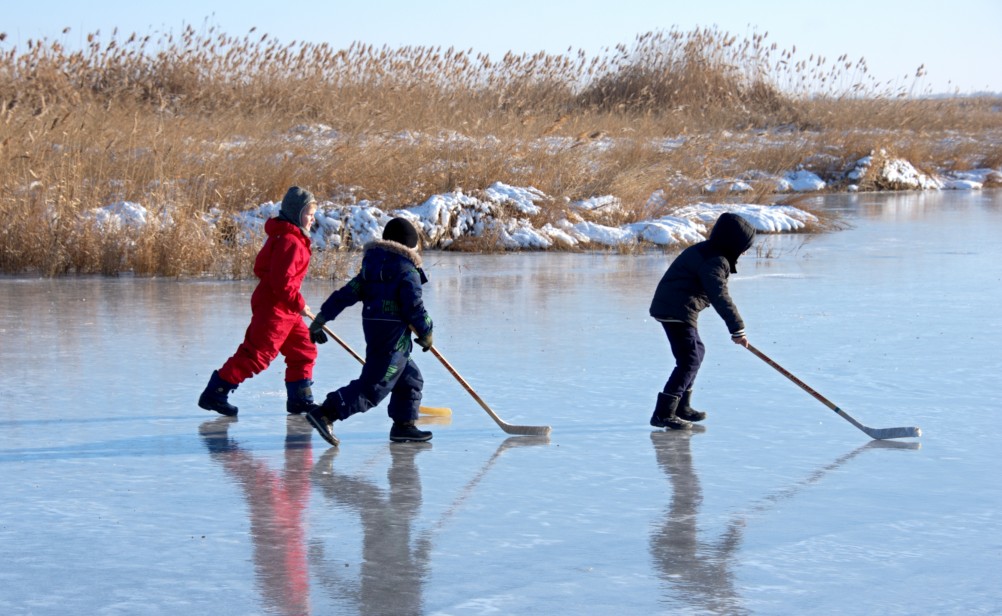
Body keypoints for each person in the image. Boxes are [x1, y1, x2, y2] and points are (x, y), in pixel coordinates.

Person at [305, 217, 434, 446]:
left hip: (379, 334)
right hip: (393, 340)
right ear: (410, 247)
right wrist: (426, 331)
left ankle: (404, 426)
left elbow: (346, 294)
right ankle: (326, 412)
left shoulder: (371, 268)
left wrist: (322, 317)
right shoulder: (408, 272)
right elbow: (414, 307)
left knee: (410, 379)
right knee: (374, 387)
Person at [198, 186, 321, 417]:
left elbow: (263, 268)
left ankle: (300, 400)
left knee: (303, 350)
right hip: (276, 308)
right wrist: (299, 303)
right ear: (296, 214)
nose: (313, 218)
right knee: (258, 355)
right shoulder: (290, 241)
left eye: (314, 213)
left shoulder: (287, 236)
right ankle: (216, 392)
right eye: (309, 213)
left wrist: (294, 304)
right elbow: (281, 281)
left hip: (285, 308)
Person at [648, 211, 756, 430]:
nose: (744, 252)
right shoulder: (715, 261)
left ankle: (681, 406)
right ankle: (664, 413)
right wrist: (737, 328)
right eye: (744, 247)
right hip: (676, 309)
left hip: (675, 306)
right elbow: (719, 296)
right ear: (733, 243)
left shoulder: (709, 251)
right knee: (689, 359)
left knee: (696, 352)